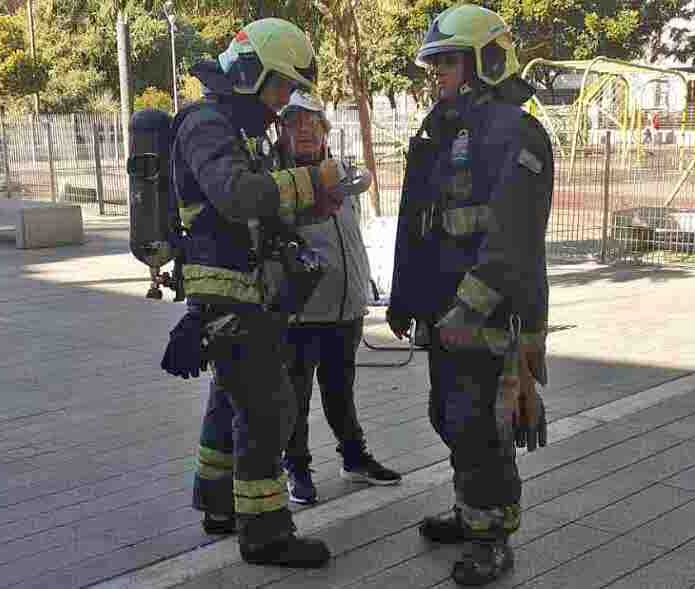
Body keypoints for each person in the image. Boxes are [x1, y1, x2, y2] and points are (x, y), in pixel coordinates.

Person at [160, 18, 346, 569]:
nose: (283, 102)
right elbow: (239, 196)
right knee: (269, 411)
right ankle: (265, 532)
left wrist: (314, 203)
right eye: (281, 87)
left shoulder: (236, 126)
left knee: (231, 401)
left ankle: (217, 503)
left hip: (244, 291)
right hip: (228, 293)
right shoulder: (207, 125)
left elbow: (259, 209)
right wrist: (314, 179)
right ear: (250, 73)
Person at [386, 4, 553, 586]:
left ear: (485, 60)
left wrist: (469, 306)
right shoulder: (443, 129)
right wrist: (404, 297)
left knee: (479, 425)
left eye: (449, 63)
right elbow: (418, 219)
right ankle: (469, 510)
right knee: (449, 416)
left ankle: (492, 536)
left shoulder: (516, 131)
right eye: (436, 65)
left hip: (488, 316)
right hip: (443, 312)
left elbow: (513, 237)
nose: (439, 76)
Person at [277, 91, 402, 505]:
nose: (306, 130)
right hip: (302, 312)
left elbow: (363, 180)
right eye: (296, 124)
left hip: (347, 307)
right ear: (281, 131)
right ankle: (295, 467)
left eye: (314, 123)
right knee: (296, 395)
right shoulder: (279, 180)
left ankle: (353, 457)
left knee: (340, 390)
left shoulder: (339, 173)